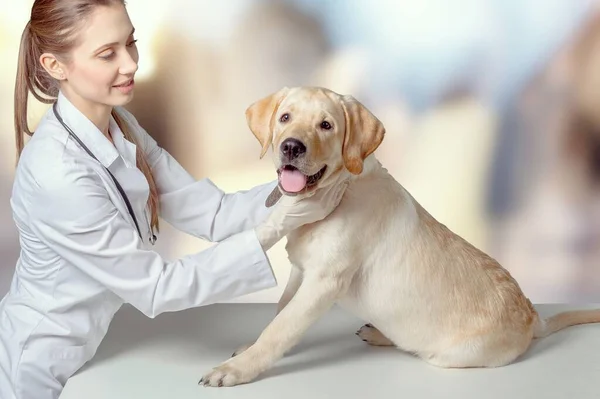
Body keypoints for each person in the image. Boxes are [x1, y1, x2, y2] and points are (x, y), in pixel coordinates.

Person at [0, 1, 348, 398]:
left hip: (87, 348)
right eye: (107, 53)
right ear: (55, 65)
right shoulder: (55, 173)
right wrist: (279, 223)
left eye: (130, 43)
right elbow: (157, 288)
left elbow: (209, 212)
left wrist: (294, 190)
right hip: (36, 365)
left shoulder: (120, 125)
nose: (130, 64)